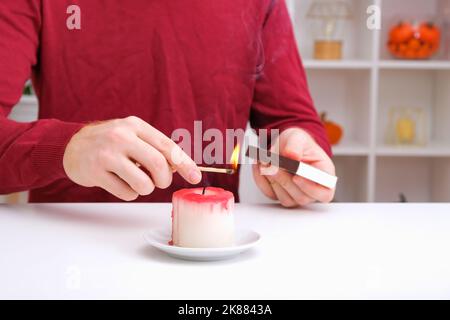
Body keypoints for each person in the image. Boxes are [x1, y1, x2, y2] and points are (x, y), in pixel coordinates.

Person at [0, 0, 335, 207]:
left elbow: (293, 121)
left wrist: (299, 147)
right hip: (68, 243)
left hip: (209, 256)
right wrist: (67, 149)